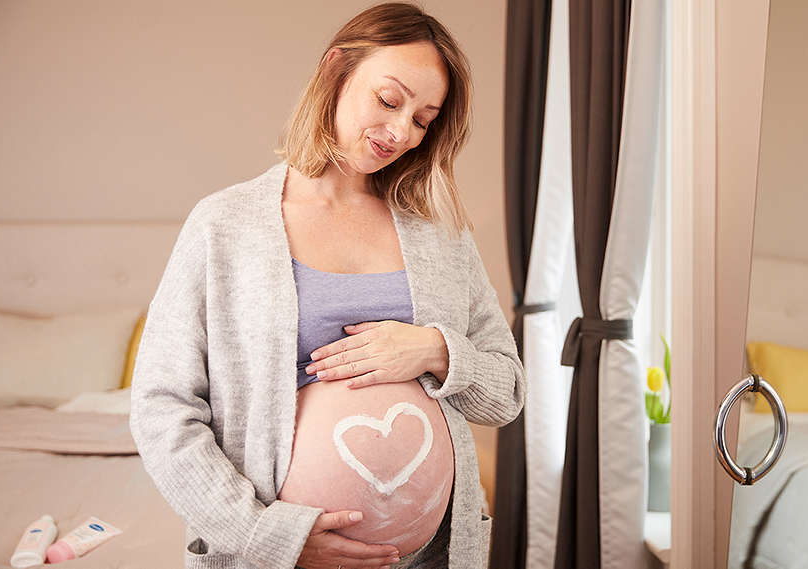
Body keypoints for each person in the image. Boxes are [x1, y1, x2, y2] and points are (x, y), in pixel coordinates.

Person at [128, 3, 526, 569]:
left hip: (428, 558)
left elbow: (507, 392)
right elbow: (161, 407)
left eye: (423, 118)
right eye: (389, 101)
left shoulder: (439, 236)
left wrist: (435, 349)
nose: (401, 132)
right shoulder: (225, 225)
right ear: (335, 71)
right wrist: (268, 534)